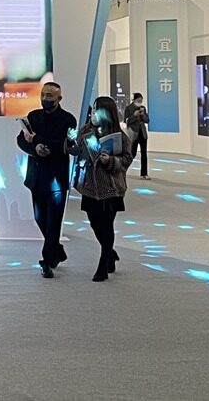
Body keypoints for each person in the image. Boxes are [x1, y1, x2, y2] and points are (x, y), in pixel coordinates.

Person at [17, 82, 77, 279]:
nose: (45, 99)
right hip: (36, 177)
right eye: (43, 95)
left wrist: (37, 140)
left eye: (50, 96)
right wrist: (34, 148)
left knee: (54, 222)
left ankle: (47, 261)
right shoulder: (33, 117)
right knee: (40, 218)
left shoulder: (69, 120)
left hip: (57, 179)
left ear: (59, 98)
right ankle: (56, 250)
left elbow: (67, 145)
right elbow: (21, 140)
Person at [75, 96, 134, 282]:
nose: (93, 114)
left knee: (107, 225)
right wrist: (72, 143)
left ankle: (103, 263)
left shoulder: (120, 137)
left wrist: (111, 161)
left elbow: (127, 159)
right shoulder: (86, 131)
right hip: (89, 187)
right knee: (95, 223)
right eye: (93, 110)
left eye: (97, 110)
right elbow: (76, 150)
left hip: (111, 188)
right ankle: (110, 252)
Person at [123, 92, 150, 179]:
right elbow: (126, 121)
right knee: (132, 153)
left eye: (141, 100)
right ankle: (123, 169)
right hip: (133, 133)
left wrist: (143, 115)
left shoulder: (143, 108)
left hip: (142, 133)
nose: (140, 102)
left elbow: (147, 120)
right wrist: (134, 115)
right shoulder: (128, 108)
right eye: (138, 100)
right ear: (134, 100)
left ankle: (144, 173)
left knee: (144, 153)